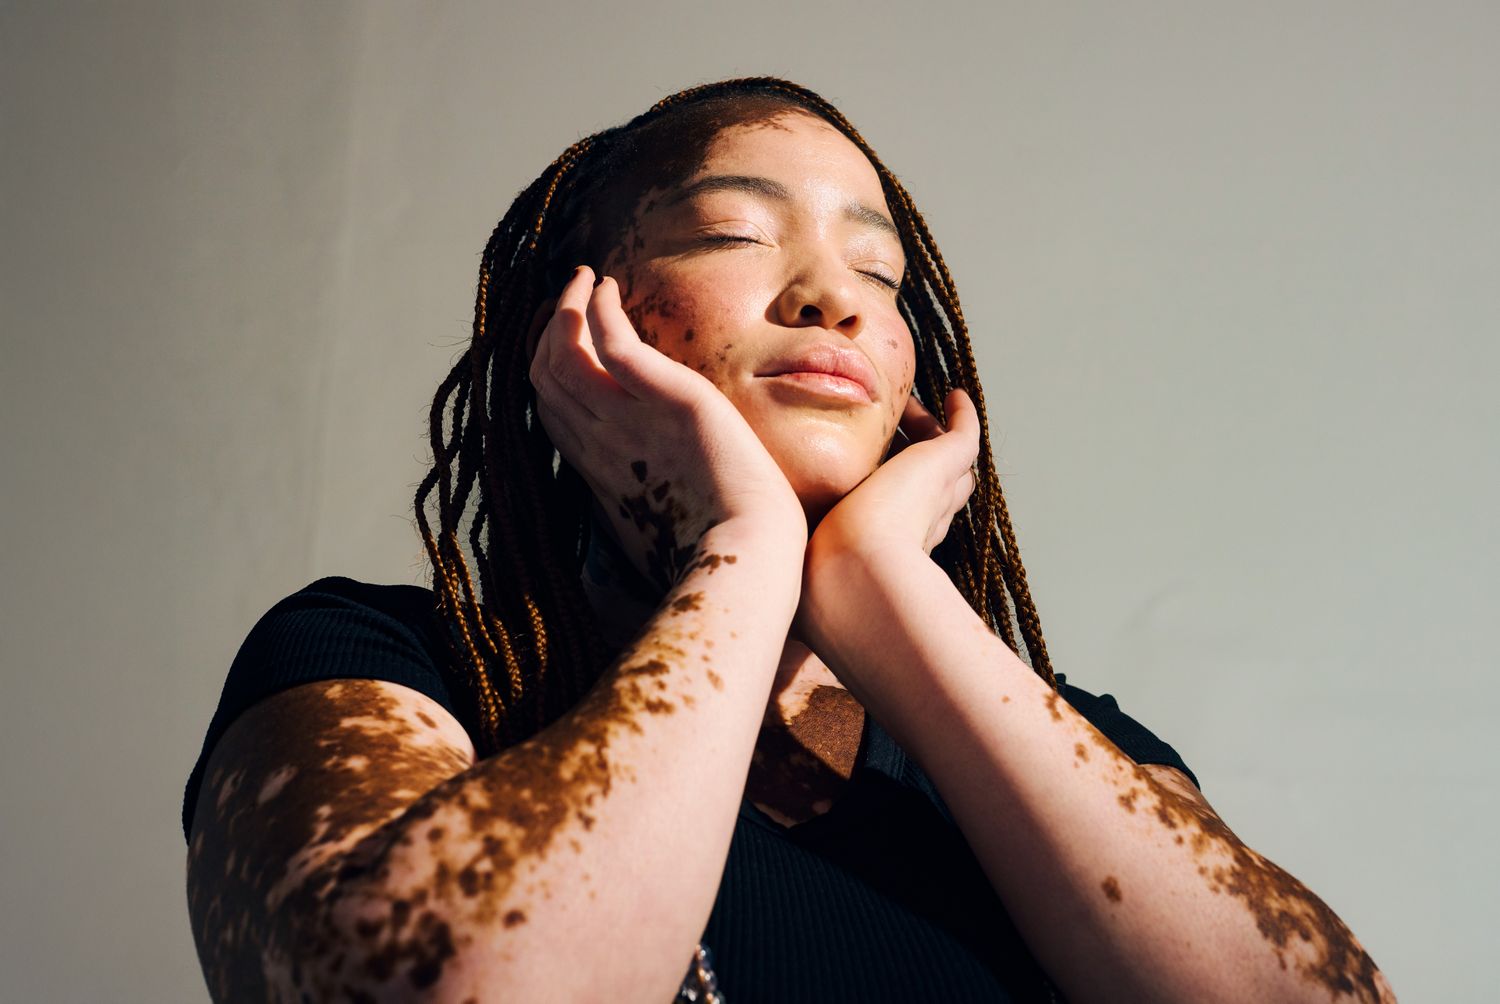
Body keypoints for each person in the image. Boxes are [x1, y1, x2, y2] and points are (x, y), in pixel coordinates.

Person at [182, 77, 1397, 1002]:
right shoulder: (387, 661)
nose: (837, 295)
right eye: (731, 233)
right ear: (576, 320)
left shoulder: (1067, 740)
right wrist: (742, 549)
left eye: (880, 267)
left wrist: (882, 590)